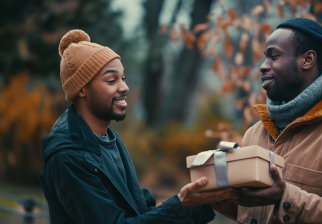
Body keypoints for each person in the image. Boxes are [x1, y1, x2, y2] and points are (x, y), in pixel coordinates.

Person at [40, 29, 237, 224]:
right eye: (111, 80)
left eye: (123, 78)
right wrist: (181, 204)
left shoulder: (110, 140)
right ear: (81, 89)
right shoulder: (68, 155)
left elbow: (141, 212)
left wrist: (202, 200)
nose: (124, 87)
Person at [211, 18, 322, 224]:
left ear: (307, 60)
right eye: (265, 58)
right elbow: (252, 212)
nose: (263, 67)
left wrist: (285, 198)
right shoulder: (254, 133)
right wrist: (221, 188)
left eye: (274, 56)